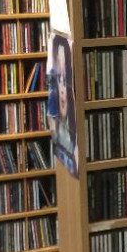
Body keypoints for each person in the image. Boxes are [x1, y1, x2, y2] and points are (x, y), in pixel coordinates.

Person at [49, 36, 77, 177]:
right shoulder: (56, 132)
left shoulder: (75, 141)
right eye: (59, 78)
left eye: (65, 79)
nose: (62, 89)